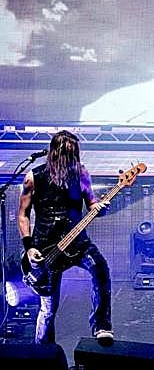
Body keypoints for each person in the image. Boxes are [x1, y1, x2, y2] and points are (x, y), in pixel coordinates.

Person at [17, 130, 113, 345]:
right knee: (48, 309)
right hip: (46, 247)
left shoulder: (81, 174)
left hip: (77, 242)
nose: (70, 160)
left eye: (73, 154)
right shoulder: (34, 177)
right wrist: (29, 247)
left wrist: (100, 208)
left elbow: (92, 204)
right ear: (55, 153)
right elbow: (23, 214)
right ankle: (42, 352)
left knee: (101, 269)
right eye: (66, 154)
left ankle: (101, 326)